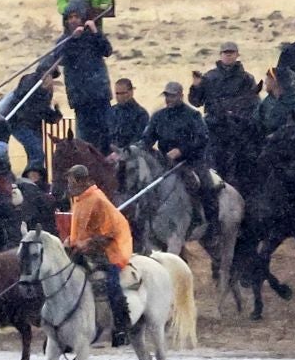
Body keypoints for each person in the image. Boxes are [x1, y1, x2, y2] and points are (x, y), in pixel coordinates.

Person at [65, 164, 133, 346]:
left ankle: (121, 326)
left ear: (81, 181)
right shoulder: (79, 199)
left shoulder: (97, 199)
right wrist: (69, 241)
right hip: (85, 249)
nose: (68, 185)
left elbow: (111, 232)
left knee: (111, 285)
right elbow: (80, 230)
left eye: (70, 181)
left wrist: (87, 243)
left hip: (109, 250)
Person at [141, 80, 220, 231]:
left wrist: (181, 150)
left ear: (181, 96)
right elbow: (147, 139)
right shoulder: (158, 116)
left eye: (172, 96)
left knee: (207, 186)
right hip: (165, 162)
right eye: (167, 96)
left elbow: (202, 138)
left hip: (192, 161)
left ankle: (212, 225)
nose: (168, 99)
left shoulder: (193, 115)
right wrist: (135, 149)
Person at [59, 11, 114, 153]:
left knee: (107, 134)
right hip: (81, 99)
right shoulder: (64, 40)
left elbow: (107, 51)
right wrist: (72, 39)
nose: (73, 20)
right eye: (70, 18)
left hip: (100, 95)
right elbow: (61, 58)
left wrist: (96, 32)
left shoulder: (93, 37)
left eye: (76, 17)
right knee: (85, 140)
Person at [1, 67, 63, 175]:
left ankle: (34, 181)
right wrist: (41, 90)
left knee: (35, 154)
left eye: (52, 77)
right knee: (37, 154)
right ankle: (32, 182)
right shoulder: (29, 81)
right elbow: (26, 99)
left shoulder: (47, 91)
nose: (50, 80)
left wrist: (55, 115)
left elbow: (42, 110)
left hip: (32, 125)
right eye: (49, 76)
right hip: (19, 122)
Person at [190, 40, 260, 118]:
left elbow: (255, 103)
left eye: (231, 52)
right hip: (214, 123)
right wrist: (196, 87)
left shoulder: (247, 78)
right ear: (220, 55)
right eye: (225, 52)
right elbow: (196, 102)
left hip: (239, 123)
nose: (228, 55)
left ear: (237, 55)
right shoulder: (210, 77)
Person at [107, 78, 149, 155]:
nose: (119, 97)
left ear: (131, 92)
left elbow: (139, 140)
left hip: (131, 155)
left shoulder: (141, 114)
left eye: (123, 93)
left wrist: (122, 152)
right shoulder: (111, 111)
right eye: (117, 93)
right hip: (109, 154)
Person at [259, 65, 295, 137]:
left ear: (275, 81)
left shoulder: (293, 103)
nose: (265, 82)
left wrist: (276, 135)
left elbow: (292, 129)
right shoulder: (267, 102)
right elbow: (256, 123)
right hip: (265, 143)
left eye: (268, 78)